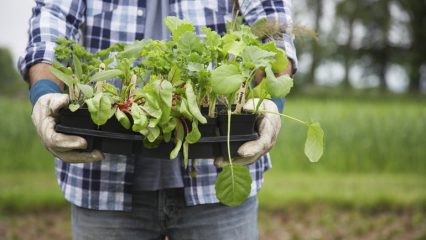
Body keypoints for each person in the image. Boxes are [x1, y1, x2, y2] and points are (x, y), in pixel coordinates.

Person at [20, 0, 297, 239]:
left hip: (215, 177)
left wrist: (272, 102)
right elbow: (52, 19)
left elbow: (273, 23)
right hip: (103, 181)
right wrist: (44, 92)